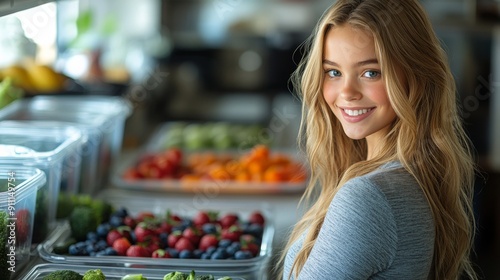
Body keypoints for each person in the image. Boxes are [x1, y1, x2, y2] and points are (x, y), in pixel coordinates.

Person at [278, 0, 478, 279]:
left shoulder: (366, 198)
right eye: (333, 72)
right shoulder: (406, 177)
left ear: (415, 77)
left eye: (371, 72)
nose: (347, 92)